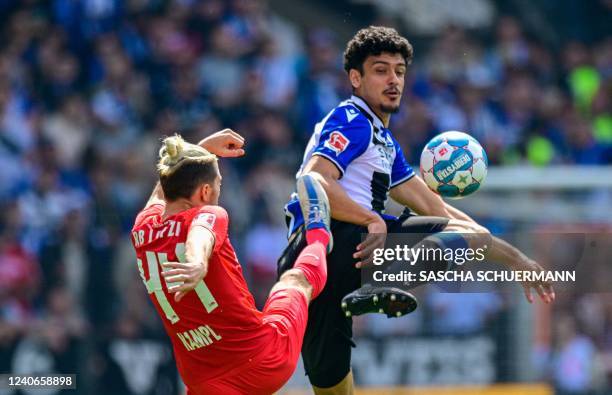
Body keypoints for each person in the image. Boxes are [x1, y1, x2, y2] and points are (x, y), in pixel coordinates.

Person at [278, 26, 555, 394]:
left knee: (335, 390)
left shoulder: (384, 143)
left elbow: (436, 207)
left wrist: (517, 259)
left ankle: (373, 287)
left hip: (330, 271)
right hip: (332, 243)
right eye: (380, 70)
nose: (393, 80)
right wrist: (370, 217)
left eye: (399, 71)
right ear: (356, 78)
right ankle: (381, 284)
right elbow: (313, 179)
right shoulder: (352, 119)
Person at [130, 129, 333, 395]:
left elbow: (163, 189)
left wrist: (202, 149)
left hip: (202, 381)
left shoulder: (142, 226)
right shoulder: (210, 214)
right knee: (295, 281)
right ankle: (318, 234)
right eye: (218, 185)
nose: (218, 192)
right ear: (204, 191)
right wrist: (197, 262)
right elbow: (199, 235)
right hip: (259, 361)